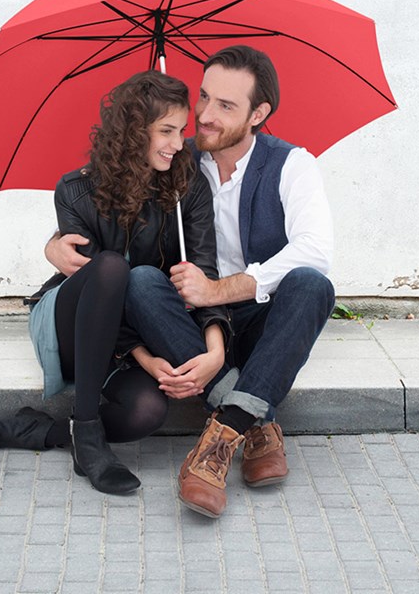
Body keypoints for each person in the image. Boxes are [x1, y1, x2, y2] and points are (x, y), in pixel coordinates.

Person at [47, 45, 335, 517]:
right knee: (143, 281)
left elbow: (316, 250)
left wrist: (219, 292)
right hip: (186, 322)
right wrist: (53, 242)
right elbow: (112, 213)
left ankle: (223, 436)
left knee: (312, 285)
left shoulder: (292, 165)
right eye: (204, 97)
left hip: (259, 321)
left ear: (258, 114)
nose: (203, 116)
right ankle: (258, 424)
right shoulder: (179, 160)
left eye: (226, 105)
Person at [0, 70, 231, 497]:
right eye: (166, 131)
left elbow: (206, 275)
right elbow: (101, 287)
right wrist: (145, 358)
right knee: (111, 268)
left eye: (182, 130)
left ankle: (42, 429)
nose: (178, 143)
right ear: (134, 131)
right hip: (73, 324)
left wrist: (214, 351)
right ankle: (87, 434)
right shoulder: (75, 191)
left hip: (132, 329)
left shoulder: (188, 187)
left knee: (146, 412)